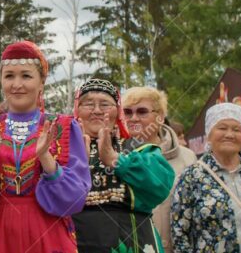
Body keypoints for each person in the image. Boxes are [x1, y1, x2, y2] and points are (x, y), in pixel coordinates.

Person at [0, 41, 91, 252]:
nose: (17, 84)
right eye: (9, 76)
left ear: (42, 82)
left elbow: (75, 199)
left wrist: (46, 159)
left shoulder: (63, 127)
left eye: (26, 76)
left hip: (49, 236)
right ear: (1, 81)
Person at [72, 79, 173, 253]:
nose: (96, 111)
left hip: (132, 242)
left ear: (117, 112)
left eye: (104, 104)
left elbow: (161, 185)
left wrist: (116, 159)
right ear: (77, 111)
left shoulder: (136, 148)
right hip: (74, 242)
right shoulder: (62, 148)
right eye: (88, 104)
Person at [172, 103, 241, 252]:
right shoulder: (191, 177)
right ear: (209, 133)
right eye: (222, 128)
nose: (230, 134)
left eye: (236, 129)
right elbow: (180, 235)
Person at [123, 86, 196, 253]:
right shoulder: (115, 157)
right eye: (127, 112)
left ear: (160, 117)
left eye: (142, 112)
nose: (133, 118)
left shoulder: (187, 158)